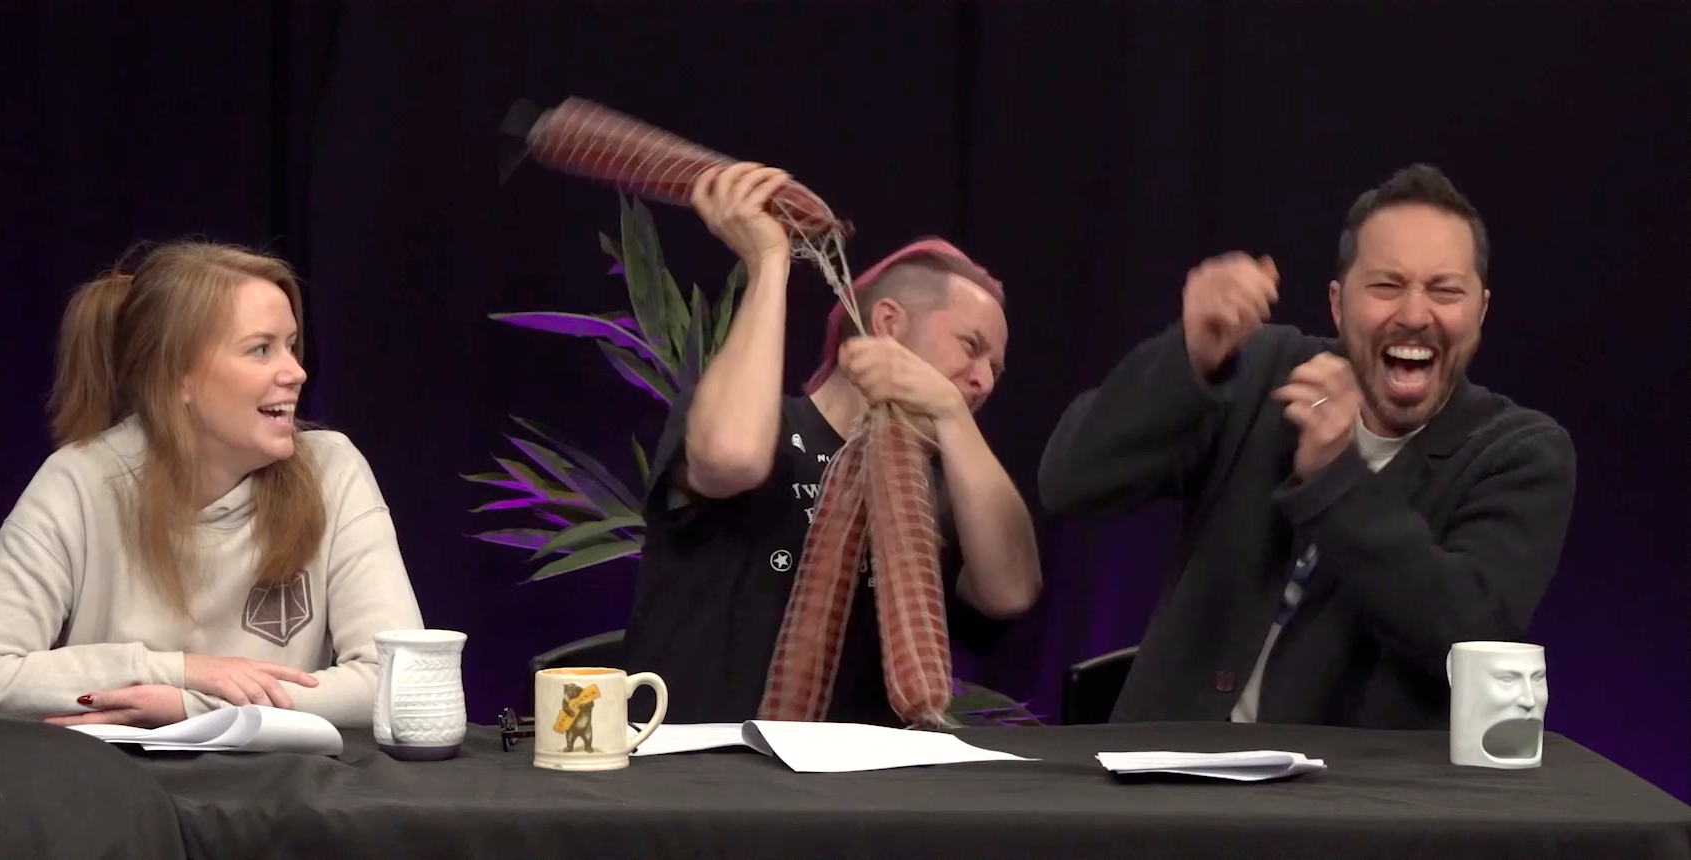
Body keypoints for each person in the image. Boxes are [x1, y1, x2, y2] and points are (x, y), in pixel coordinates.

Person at [1037, 164, 1576, 729]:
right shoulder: (1262, 372)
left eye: (1445, 291)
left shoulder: (1518, 453)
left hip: (1348, 785)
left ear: (1481, 312)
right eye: (1387, 286)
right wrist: (1190, 358)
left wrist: (1335, 479)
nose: (1415, 315)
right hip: (1162, 769)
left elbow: (1468, 638)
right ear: (1338, 305)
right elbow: (1070, 481)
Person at [0, 240, 425, 729]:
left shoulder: (332, 471)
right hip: (111, 780)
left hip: (278, 782)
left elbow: (404, 683)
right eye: (261, 349)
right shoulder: (79, 483)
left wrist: (193, 707)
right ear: (177, 377)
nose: (296, 372)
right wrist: (180, 671)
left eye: (291, 345)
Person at [620, 162, 1043, 726]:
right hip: (702, 767)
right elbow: (731, 456)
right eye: (971, 346)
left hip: (864, 777)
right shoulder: (758, 422)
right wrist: (769, 263)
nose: (984, 380)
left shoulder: (946, 487)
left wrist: (950, 413)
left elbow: (1010, 591)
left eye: (996, 370)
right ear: (888, 323)